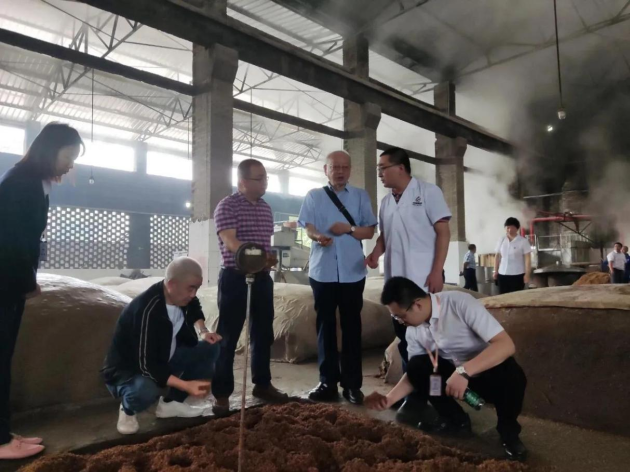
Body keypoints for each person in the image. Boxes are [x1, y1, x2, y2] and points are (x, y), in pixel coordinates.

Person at [365, 277, 528, 462]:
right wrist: (389, 399)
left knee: (512, 374)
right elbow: (414, 374)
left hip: (486, 374)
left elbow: (506, 345)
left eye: (401, 316)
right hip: (451, 381)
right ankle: (455, 420)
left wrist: (464, 371)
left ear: (417, 305)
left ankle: (508, 431)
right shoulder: (414, 331)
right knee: (418, 365)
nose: (401, 322)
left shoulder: (459, 303)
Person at [0, 123, 83, 460]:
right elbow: (11, 242)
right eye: (69, 156)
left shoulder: (30, 182)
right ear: (50, 151)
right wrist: (26, 282)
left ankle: (3, 431)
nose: (71, 165)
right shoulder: (21, 183)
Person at [102, 257, 222, 435]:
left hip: (165, 356)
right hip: (131, 370)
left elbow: (194, 306)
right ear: (172, 284)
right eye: (191, 288)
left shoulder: (179, 296)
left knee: (210, 347)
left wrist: (203, 330)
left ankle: (171, 404)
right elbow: (148, 366)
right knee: (146, 389)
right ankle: (128, 410)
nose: (193, 294)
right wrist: (185, 385)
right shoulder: (147, 311)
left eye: (196, 288)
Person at [298, 151, 377, 405]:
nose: (340, 171)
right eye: (335, 167)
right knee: (325, 326)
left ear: (350, 169)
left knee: (352, 327)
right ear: (326, 170)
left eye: (345, 167)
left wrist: (348, 229)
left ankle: (352, 385)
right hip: (322, 272)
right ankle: (327, 383)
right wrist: (317, 236)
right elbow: (308, 226)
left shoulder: (360, 196)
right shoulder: (314, 196)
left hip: (352, 272)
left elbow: (369, 232)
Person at [212, 159, 288, 415]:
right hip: (235, 278)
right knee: (228, 336)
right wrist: (256, 258)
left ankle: (262, 384)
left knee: (263, 333)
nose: (265, 182)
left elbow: (264, 246)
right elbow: (231, 242)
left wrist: (268, 258)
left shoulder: (266, 208)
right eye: (260, 178)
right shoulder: (227, 206)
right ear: (243, 182)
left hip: (262, 279)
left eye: (266, 177)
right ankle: (222, 394)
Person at [493, 218, 531, 294]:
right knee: (502, 296)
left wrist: (527, 274)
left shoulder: (523, 241)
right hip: (502, 274)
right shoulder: (501, 240)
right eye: (507, 228)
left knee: (517, 297)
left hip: (517, 275)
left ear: (517, 228)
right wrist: (495, 271)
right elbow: (497, 256)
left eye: (511, 228)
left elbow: (528, 259)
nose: (509, 230)